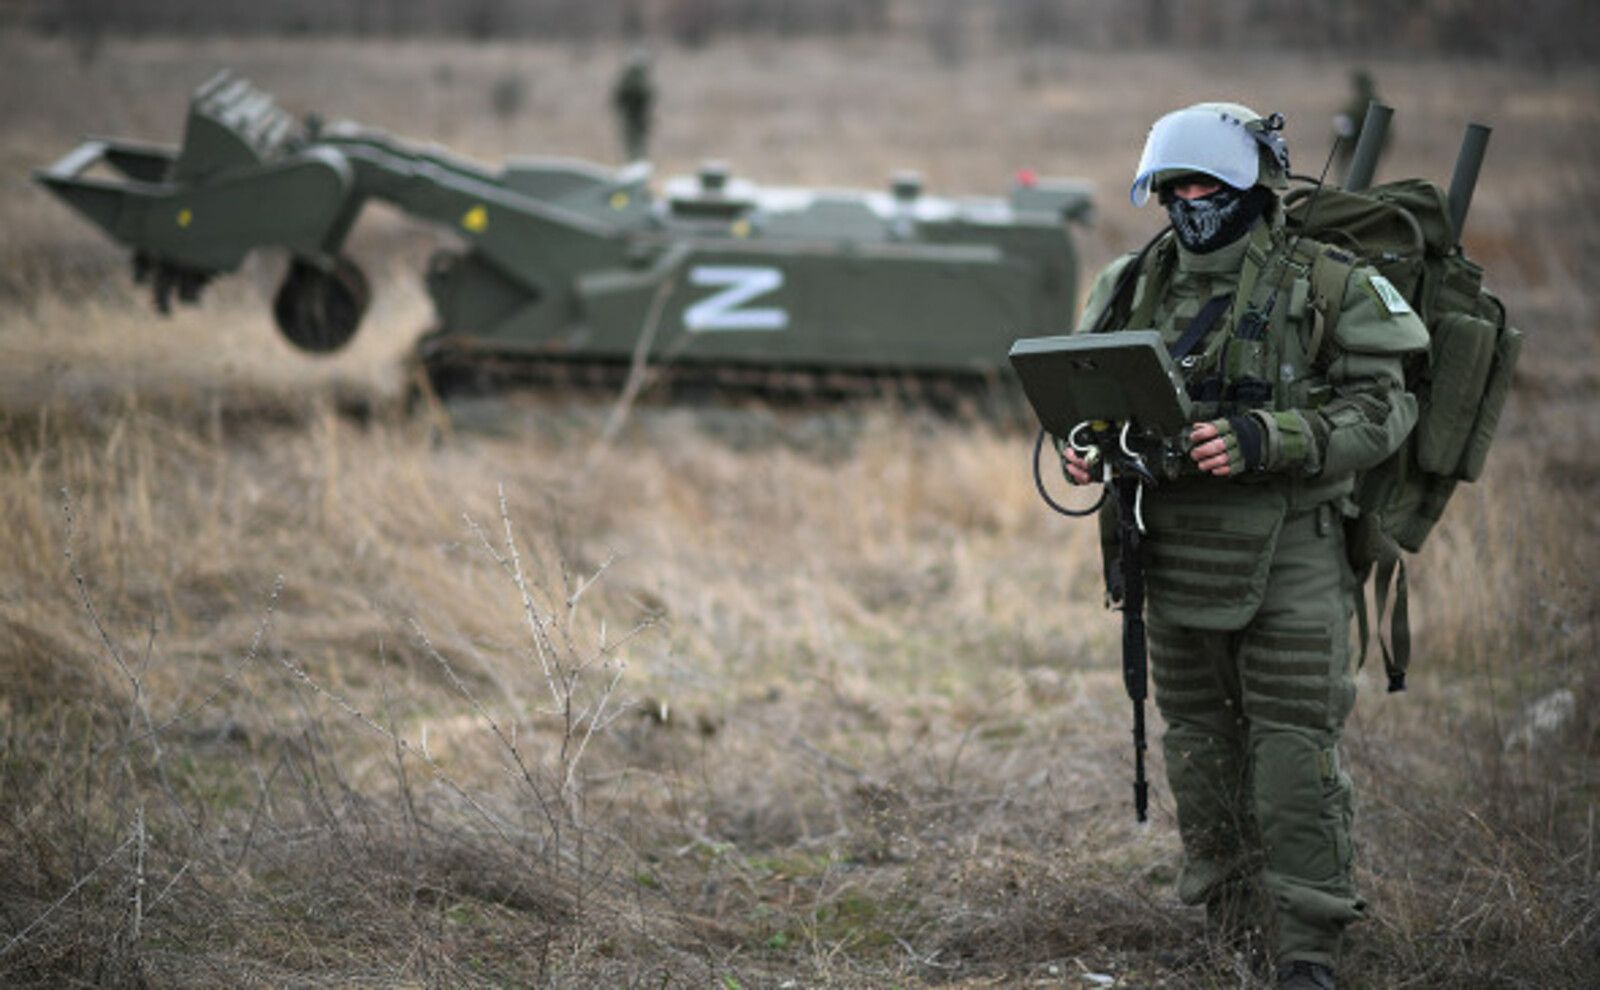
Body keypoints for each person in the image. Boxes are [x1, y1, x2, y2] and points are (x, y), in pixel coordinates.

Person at [1056, 103, 1429, 990]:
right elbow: (1095, 391)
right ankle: (1232, 930)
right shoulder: (1128, 281)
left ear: (1252, 185)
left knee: (1294, 753)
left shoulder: (1330, 283)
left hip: (1291, 549)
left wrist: (1275, 438)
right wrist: (1087, 446)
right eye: (1174, 186)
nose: (1191, 202)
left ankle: (1307, 951)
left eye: (1209, 185)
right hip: (1169, 547)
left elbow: (1388, 407)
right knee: (1199, 748)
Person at [611, 47, 655, 162]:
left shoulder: (635, 80)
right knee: (633, 142)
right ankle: (635, 161)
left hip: (637, 117)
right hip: (632, 116)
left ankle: (637, 161)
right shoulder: (632, 80)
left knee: (635, 143)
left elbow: (648, 97)